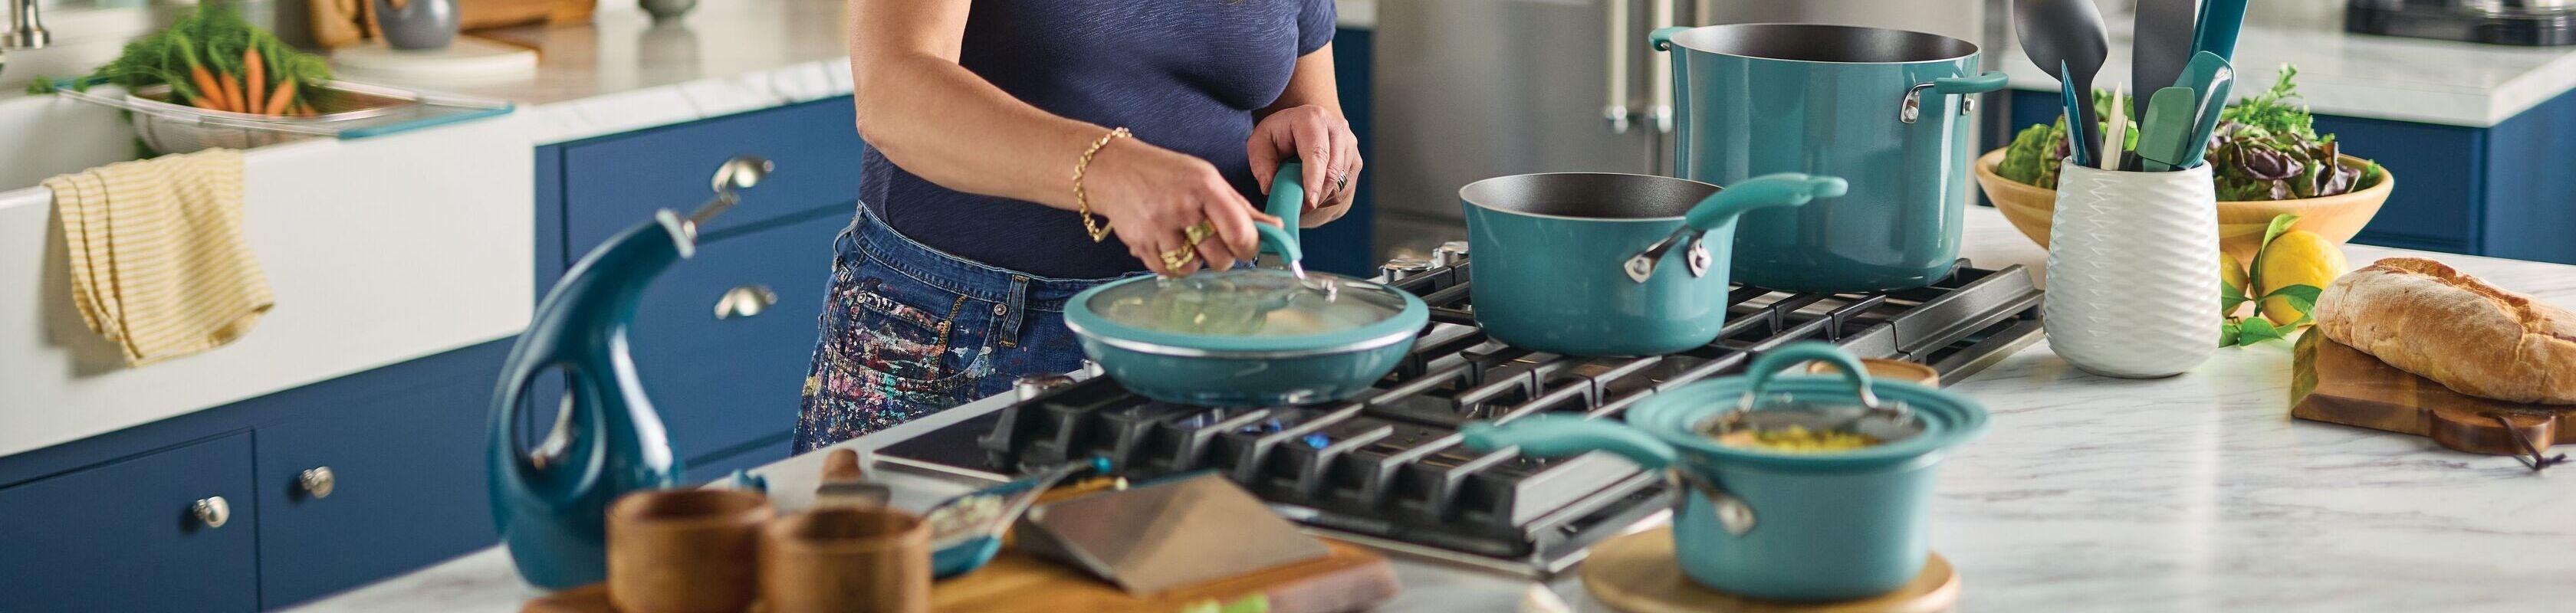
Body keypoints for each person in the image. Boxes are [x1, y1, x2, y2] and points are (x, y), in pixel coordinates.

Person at [795, 0, 1362, 453]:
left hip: (1209, 332)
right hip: (960, 332)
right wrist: (1111, 170)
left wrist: (1321, 162)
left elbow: (1311, 158)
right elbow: (892, 90)